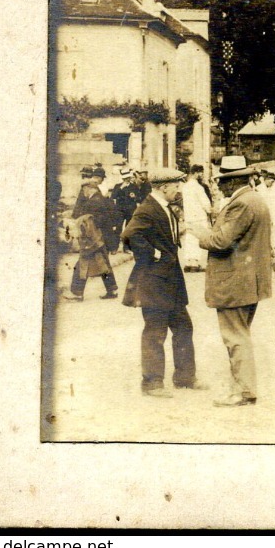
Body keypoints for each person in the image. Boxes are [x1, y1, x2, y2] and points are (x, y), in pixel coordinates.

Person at [197, 155, 275, 408]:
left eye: (223, 182)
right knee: (241, 334)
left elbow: (220, 242)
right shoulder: (256, 200)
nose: (219, 186)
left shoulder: (240, 204)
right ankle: (241, 388)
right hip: (250, 280)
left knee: (235, 337)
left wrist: (201, 235)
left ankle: (243, 392)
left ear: (234, 182)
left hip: (235, 282)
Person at [121, 167, 205, 398]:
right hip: (154, 281)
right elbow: (129, 235)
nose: (179, 190)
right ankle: (152, 384)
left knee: (183, 327)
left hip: (171, 281)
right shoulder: (147, 208)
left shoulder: (164, 207)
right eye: (176, 186)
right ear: (164, 187)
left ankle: (185, 378)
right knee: (155, 331)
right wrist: (153, 254)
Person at [65, 166, 120, 301]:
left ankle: (77, 293)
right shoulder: (99, 199)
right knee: (103, 264)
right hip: (101, 238)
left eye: (84, 189)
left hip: (93, 239)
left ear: (89, 189)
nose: (83, 192)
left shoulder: (93, 202)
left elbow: (91, 222)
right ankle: (111, 289)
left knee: (81, 265)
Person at [179, 164, 213, 272]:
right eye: (200, 172)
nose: (202, 175)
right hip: (199, 217)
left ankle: (188, 262)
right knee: (198, 239)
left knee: (190, 239)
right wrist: (210, 211)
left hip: (189, 217)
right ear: (194, 173)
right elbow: (206, 203)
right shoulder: (198, 187)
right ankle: (195, 263)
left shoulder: (185, 187)